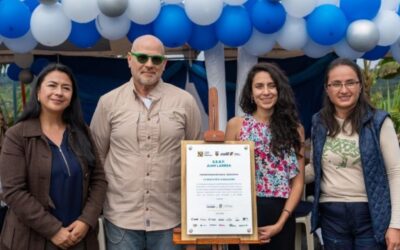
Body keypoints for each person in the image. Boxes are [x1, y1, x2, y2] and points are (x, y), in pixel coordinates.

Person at [90, 34, 202, 250]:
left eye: (156, 60)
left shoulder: (185, 102)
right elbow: (97, 157)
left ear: (164, 64)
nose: (149, 64)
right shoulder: (108, 102)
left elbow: (195, 159)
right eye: (142, 58)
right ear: (129, 59)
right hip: (121, 218)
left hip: (170, 217)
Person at [0, 63, 108, 250]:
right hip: (31, 239)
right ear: (38, 93)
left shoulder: (82, 131)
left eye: (66, 88)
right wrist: (53, 230)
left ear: (72, 96)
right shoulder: (17, 135)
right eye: (52, 85)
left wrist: (86, 221)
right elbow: (13, 191)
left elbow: (99, 180)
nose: (59, 92)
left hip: (79, 237)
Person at [306, 58, 400, 250]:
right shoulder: (319, 122)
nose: (344, 90)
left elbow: (396, 173)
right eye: (336, 84)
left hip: (370, 214)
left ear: (360, 86)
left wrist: (396, 225)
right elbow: (314, 170)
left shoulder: (379, 122)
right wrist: (282, 171)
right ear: (327, 88)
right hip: (331, 215)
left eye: (350, 82)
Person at [225, 62, 305, 250]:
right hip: (243, 214)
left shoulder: (296, 130)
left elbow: (298, 182)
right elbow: (227, 178)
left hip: (282, 214)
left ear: (279, 90)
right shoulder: (236, 126)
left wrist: (281, 223)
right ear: (251, 93)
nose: (266, 92)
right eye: (259, 86)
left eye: (271, 85)